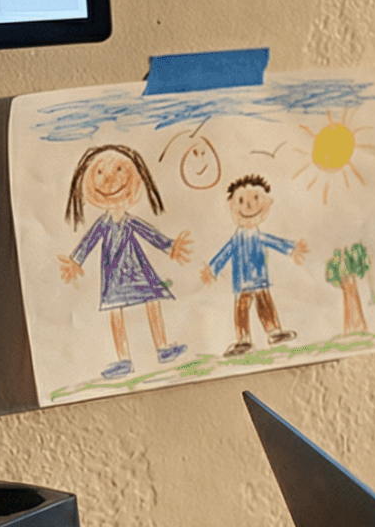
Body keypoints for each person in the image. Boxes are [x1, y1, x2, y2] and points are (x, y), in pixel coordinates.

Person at [57, 143, 192, 380]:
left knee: (152, 301)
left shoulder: (130, 221)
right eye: (100, 173)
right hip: (114, 272)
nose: (109, 179)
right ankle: (124, 360)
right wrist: (75, 261)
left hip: (137, 269)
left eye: (119, 171)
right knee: (115, 311)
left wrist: (170, 246)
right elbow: (88, 242)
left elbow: (151, 235)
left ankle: (163, 349)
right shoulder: (103, 223)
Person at [201, 174, 310, 356]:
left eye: (256, 199)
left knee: (265, 304)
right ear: (232, 207)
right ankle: (243, 340)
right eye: (242, 200)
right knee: (241, 310)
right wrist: (213, 269)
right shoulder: (236, 239)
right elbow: (225, 253)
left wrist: (291, 249)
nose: (249, 206)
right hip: (242, 281)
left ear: (267, 203)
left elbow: (274, 241)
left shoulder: (259, 236)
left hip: (260, 279)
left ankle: (274, 332)